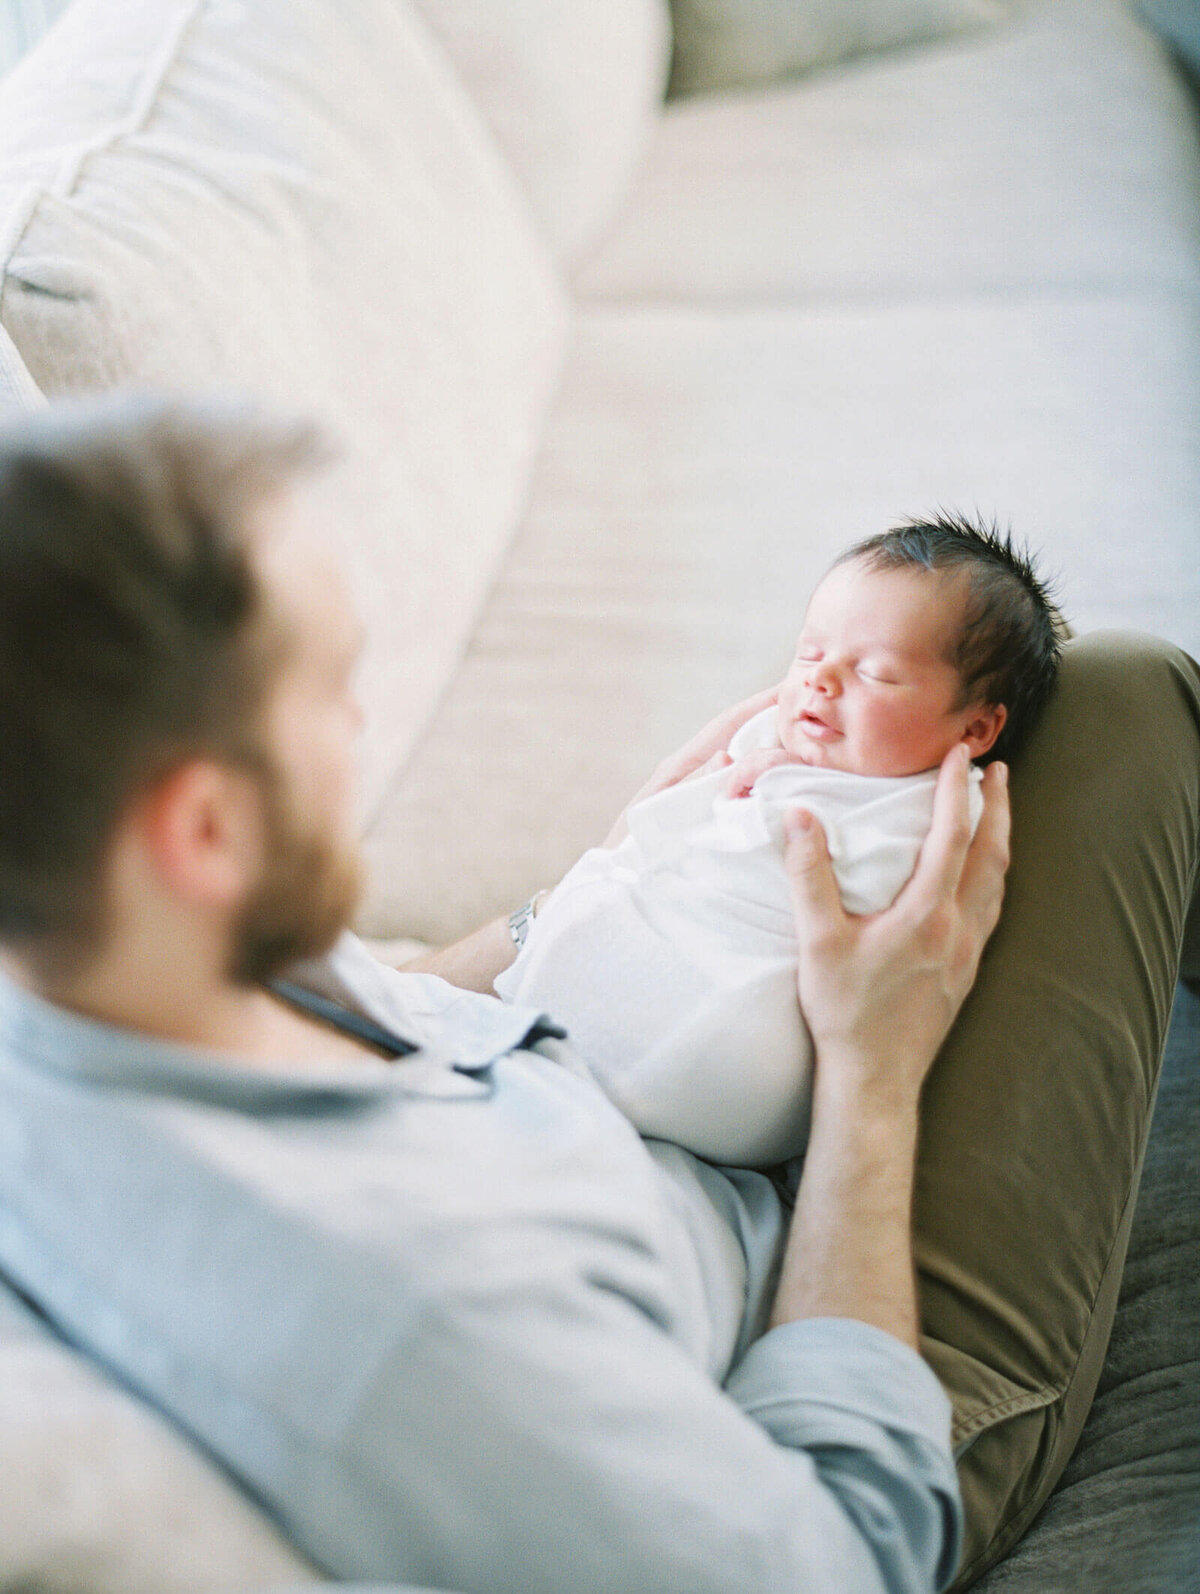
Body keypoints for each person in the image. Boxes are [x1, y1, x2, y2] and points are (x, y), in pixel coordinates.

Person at [0, 394, 1192, 1594]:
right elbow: (843, 1558)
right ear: (202, 829)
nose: (359, 725)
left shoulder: (100, 965)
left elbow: (401, 1004)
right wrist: (870, 1078)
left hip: (621, 1089)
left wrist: (606, 876)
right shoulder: (425, 1332)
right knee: (1135, 701)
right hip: (818, 1319)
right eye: (328, 693)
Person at [495, 520, 1063, 1166]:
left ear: (978, 726)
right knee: (589, 905)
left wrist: (769, 802)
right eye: (809, 654)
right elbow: (665, 835)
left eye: (876, 673)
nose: (821, 681)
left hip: (742, 1043)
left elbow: (886, 905)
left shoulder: (938, 805)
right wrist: (744, 779)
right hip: (648, 971)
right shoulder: (778, 739)